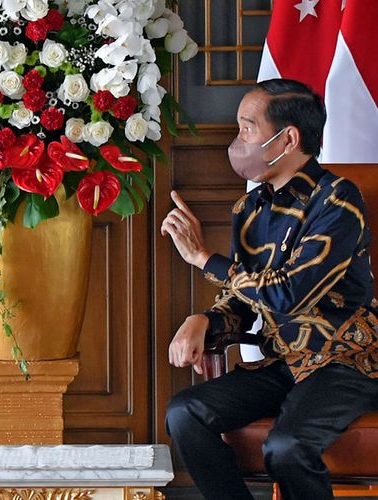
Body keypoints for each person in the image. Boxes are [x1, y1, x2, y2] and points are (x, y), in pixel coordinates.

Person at [162, 78, 378, 500]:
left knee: (287, 447)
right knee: (185, 413)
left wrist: (205, 259)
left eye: (247, 127)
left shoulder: (338, 201)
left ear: (288, 138)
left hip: (344, 363)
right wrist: (204, 321)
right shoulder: (250, 209)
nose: (237, 139)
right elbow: (245, 302)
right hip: (283, 362)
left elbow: (289, 294)